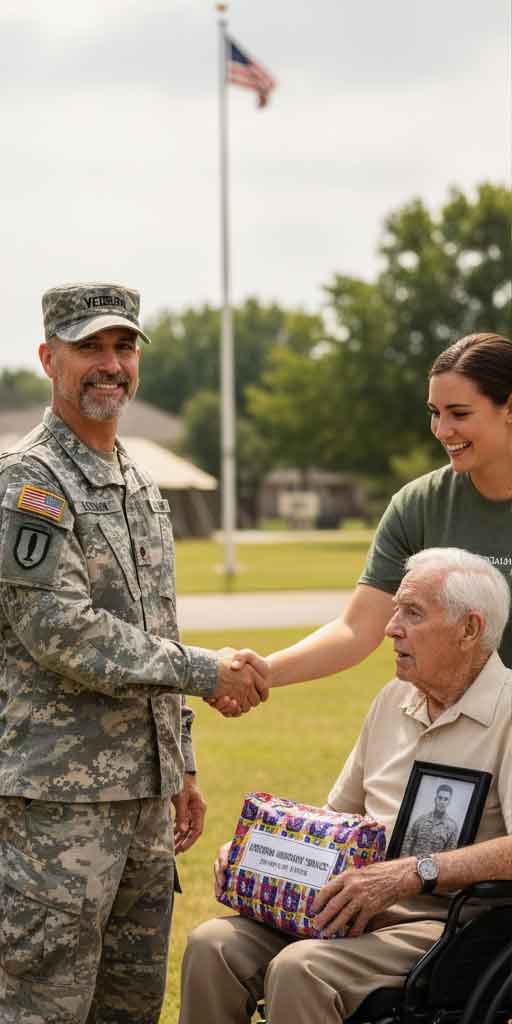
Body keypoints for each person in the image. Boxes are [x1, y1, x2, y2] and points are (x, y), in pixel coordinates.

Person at [0, 281, 269, 1024]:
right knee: (41, 1005)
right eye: (90, 347)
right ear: (49, 358)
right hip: (58, 805)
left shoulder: (140, 484)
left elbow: (157, 624)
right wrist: (205, 672)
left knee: (131, 1004)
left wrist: (178, 761)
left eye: (123, 347)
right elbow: (60, 629)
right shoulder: (30, 483)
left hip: (143, 803)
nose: (110, 364)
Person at [180, 548, 512, 1024]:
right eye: (395, 609)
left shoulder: (507, 711)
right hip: (350, 903)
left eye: (412, 613)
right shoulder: (393, 699)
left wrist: (410, 873)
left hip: (446, 922)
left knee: (302, 969)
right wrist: (259, 856)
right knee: (213, 945)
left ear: (470, 629)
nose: (390, 627)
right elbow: (335, 819)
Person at [221, 331, 512, 698]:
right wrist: (265, 672)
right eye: (435, 413)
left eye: (459, 413)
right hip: (451, 732)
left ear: (510, 408)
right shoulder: (417, 506)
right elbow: (357, 629)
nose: (442, 430)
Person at [401, 783, 459, 857]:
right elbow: (407, 844)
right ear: (435, 799)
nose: (442, 802)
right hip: (412, 864)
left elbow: (450, 854)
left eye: (445, 799)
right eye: (440, 798)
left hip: (434, 867)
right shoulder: (421, 820)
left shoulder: (452, 827)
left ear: (449, 802)